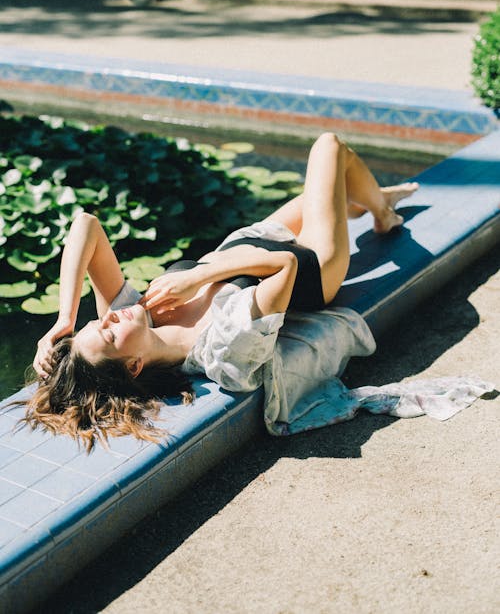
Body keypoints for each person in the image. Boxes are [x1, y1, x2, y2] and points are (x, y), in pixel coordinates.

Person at [22, 133, 419, 450]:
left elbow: (86, 225)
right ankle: (382, 214)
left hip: (248, 242)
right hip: (315, 264)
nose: (109, 316)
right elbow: (287, 266)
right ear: (134, 367)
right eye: (107, 333)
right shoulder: (224, 347)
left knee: (327, 188)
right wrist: (199, 276)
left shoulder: (134, 315)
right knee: (329, 147)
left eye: (98, 320)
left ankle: (377, 203)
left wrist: (66, 319)